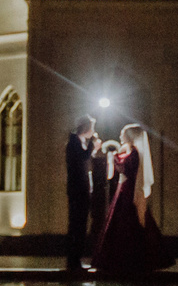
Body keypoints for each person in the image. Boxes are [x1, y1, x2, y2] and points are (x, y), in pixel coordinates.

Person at [88, 123, 169, 277]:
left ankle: (128, 259)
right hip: (123, 187)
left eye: (123, 133)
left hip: (128, 189)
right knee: (121, 222)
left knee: (127, 221)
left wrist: (116, 159)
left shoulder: (134, 153)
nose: (120, 136)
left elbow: (127, 169)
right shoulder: (128, 151)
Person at [63, 116, 102, 271]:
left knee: (79, 225)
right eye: (92, 127)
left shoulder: (79, 142)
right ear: (86, 128)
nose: (93, 131)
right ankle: (73, 261)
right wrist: (93, 145)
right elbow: (82, 158)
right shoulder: (74, 142)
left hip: (81, 189)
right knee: (77, 225)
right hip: (77, 190)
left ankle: (75, 260)